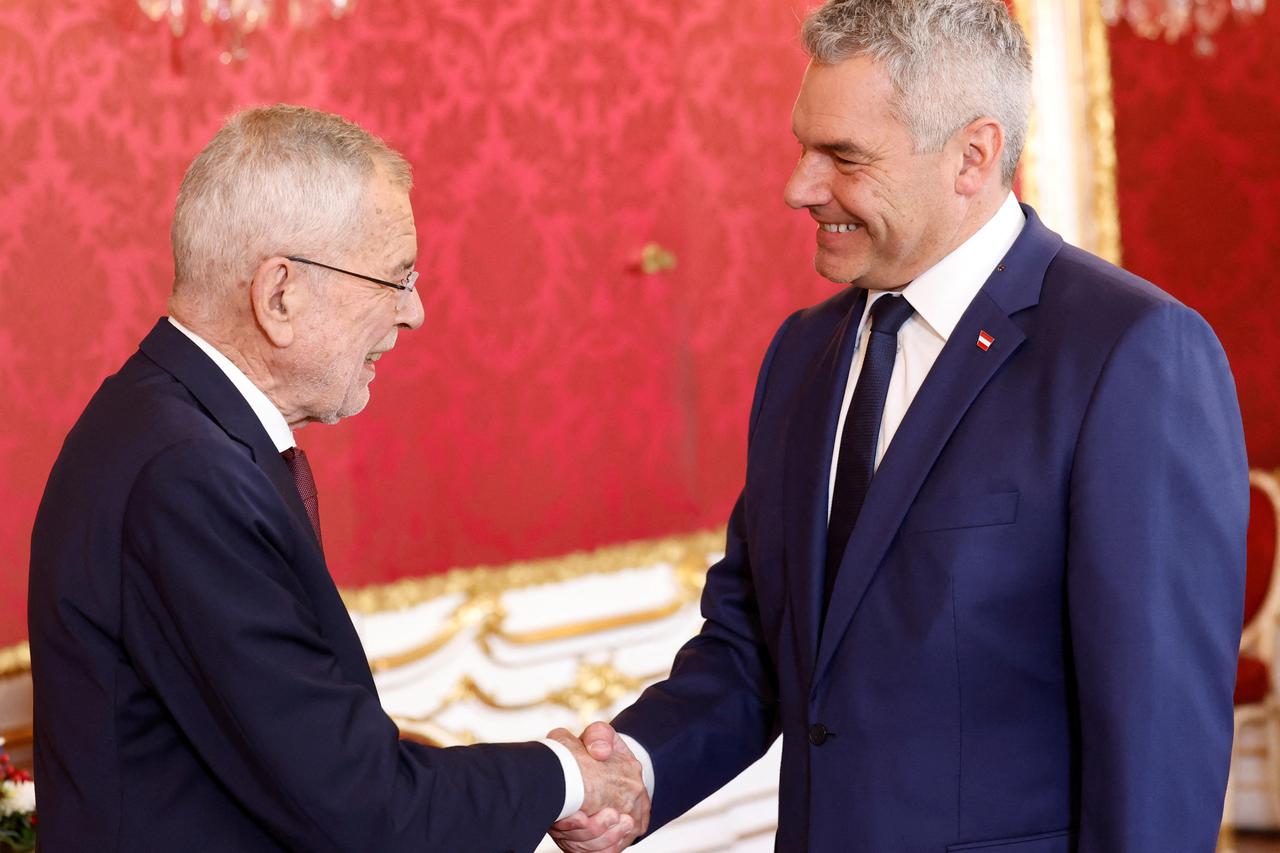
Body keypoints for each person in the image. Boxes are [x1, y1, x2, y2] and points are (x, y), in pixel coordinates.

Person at [552, 1, 1248, 851]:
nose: (799, 187)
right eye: (804, 148)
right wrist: (635, 769)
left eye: (843, 157)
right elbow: (757, 646)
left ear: (973, 156)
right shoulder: (802, 354)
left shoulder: (1130, 353)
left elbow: (1158, 733)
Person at [28, 104, 647, 851]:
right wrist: (568, 776)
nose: (414, 312)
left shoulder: (167, 422)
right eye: (396, 277)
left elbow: (288, 749)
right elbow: (362, 809)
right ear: (280, 294)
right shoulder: (187, 475)